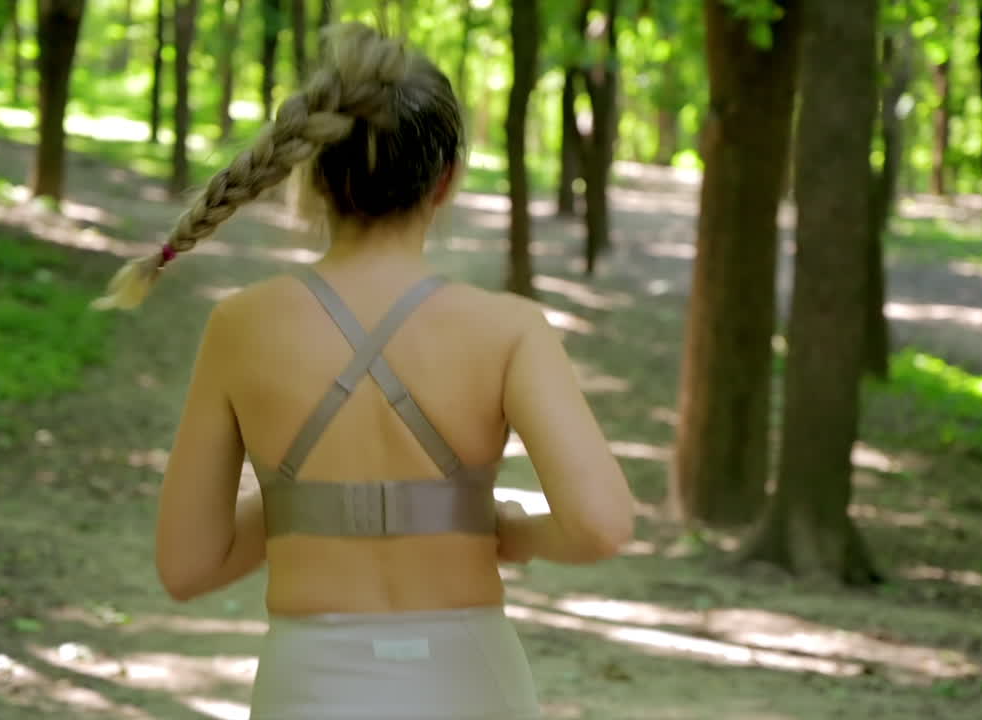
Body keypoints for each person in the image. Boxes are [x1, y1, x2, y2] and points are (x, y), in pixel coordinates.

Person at [92, 22, 635, 720]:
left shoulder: (242, 328)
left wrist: (306, 500)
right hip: (470, 680)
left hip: (310, 686)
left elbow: (188, 565)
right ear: (446, 181)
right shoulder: (509, 331)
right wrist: (500, 525)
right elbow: (601, 526)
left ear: (313, 178)